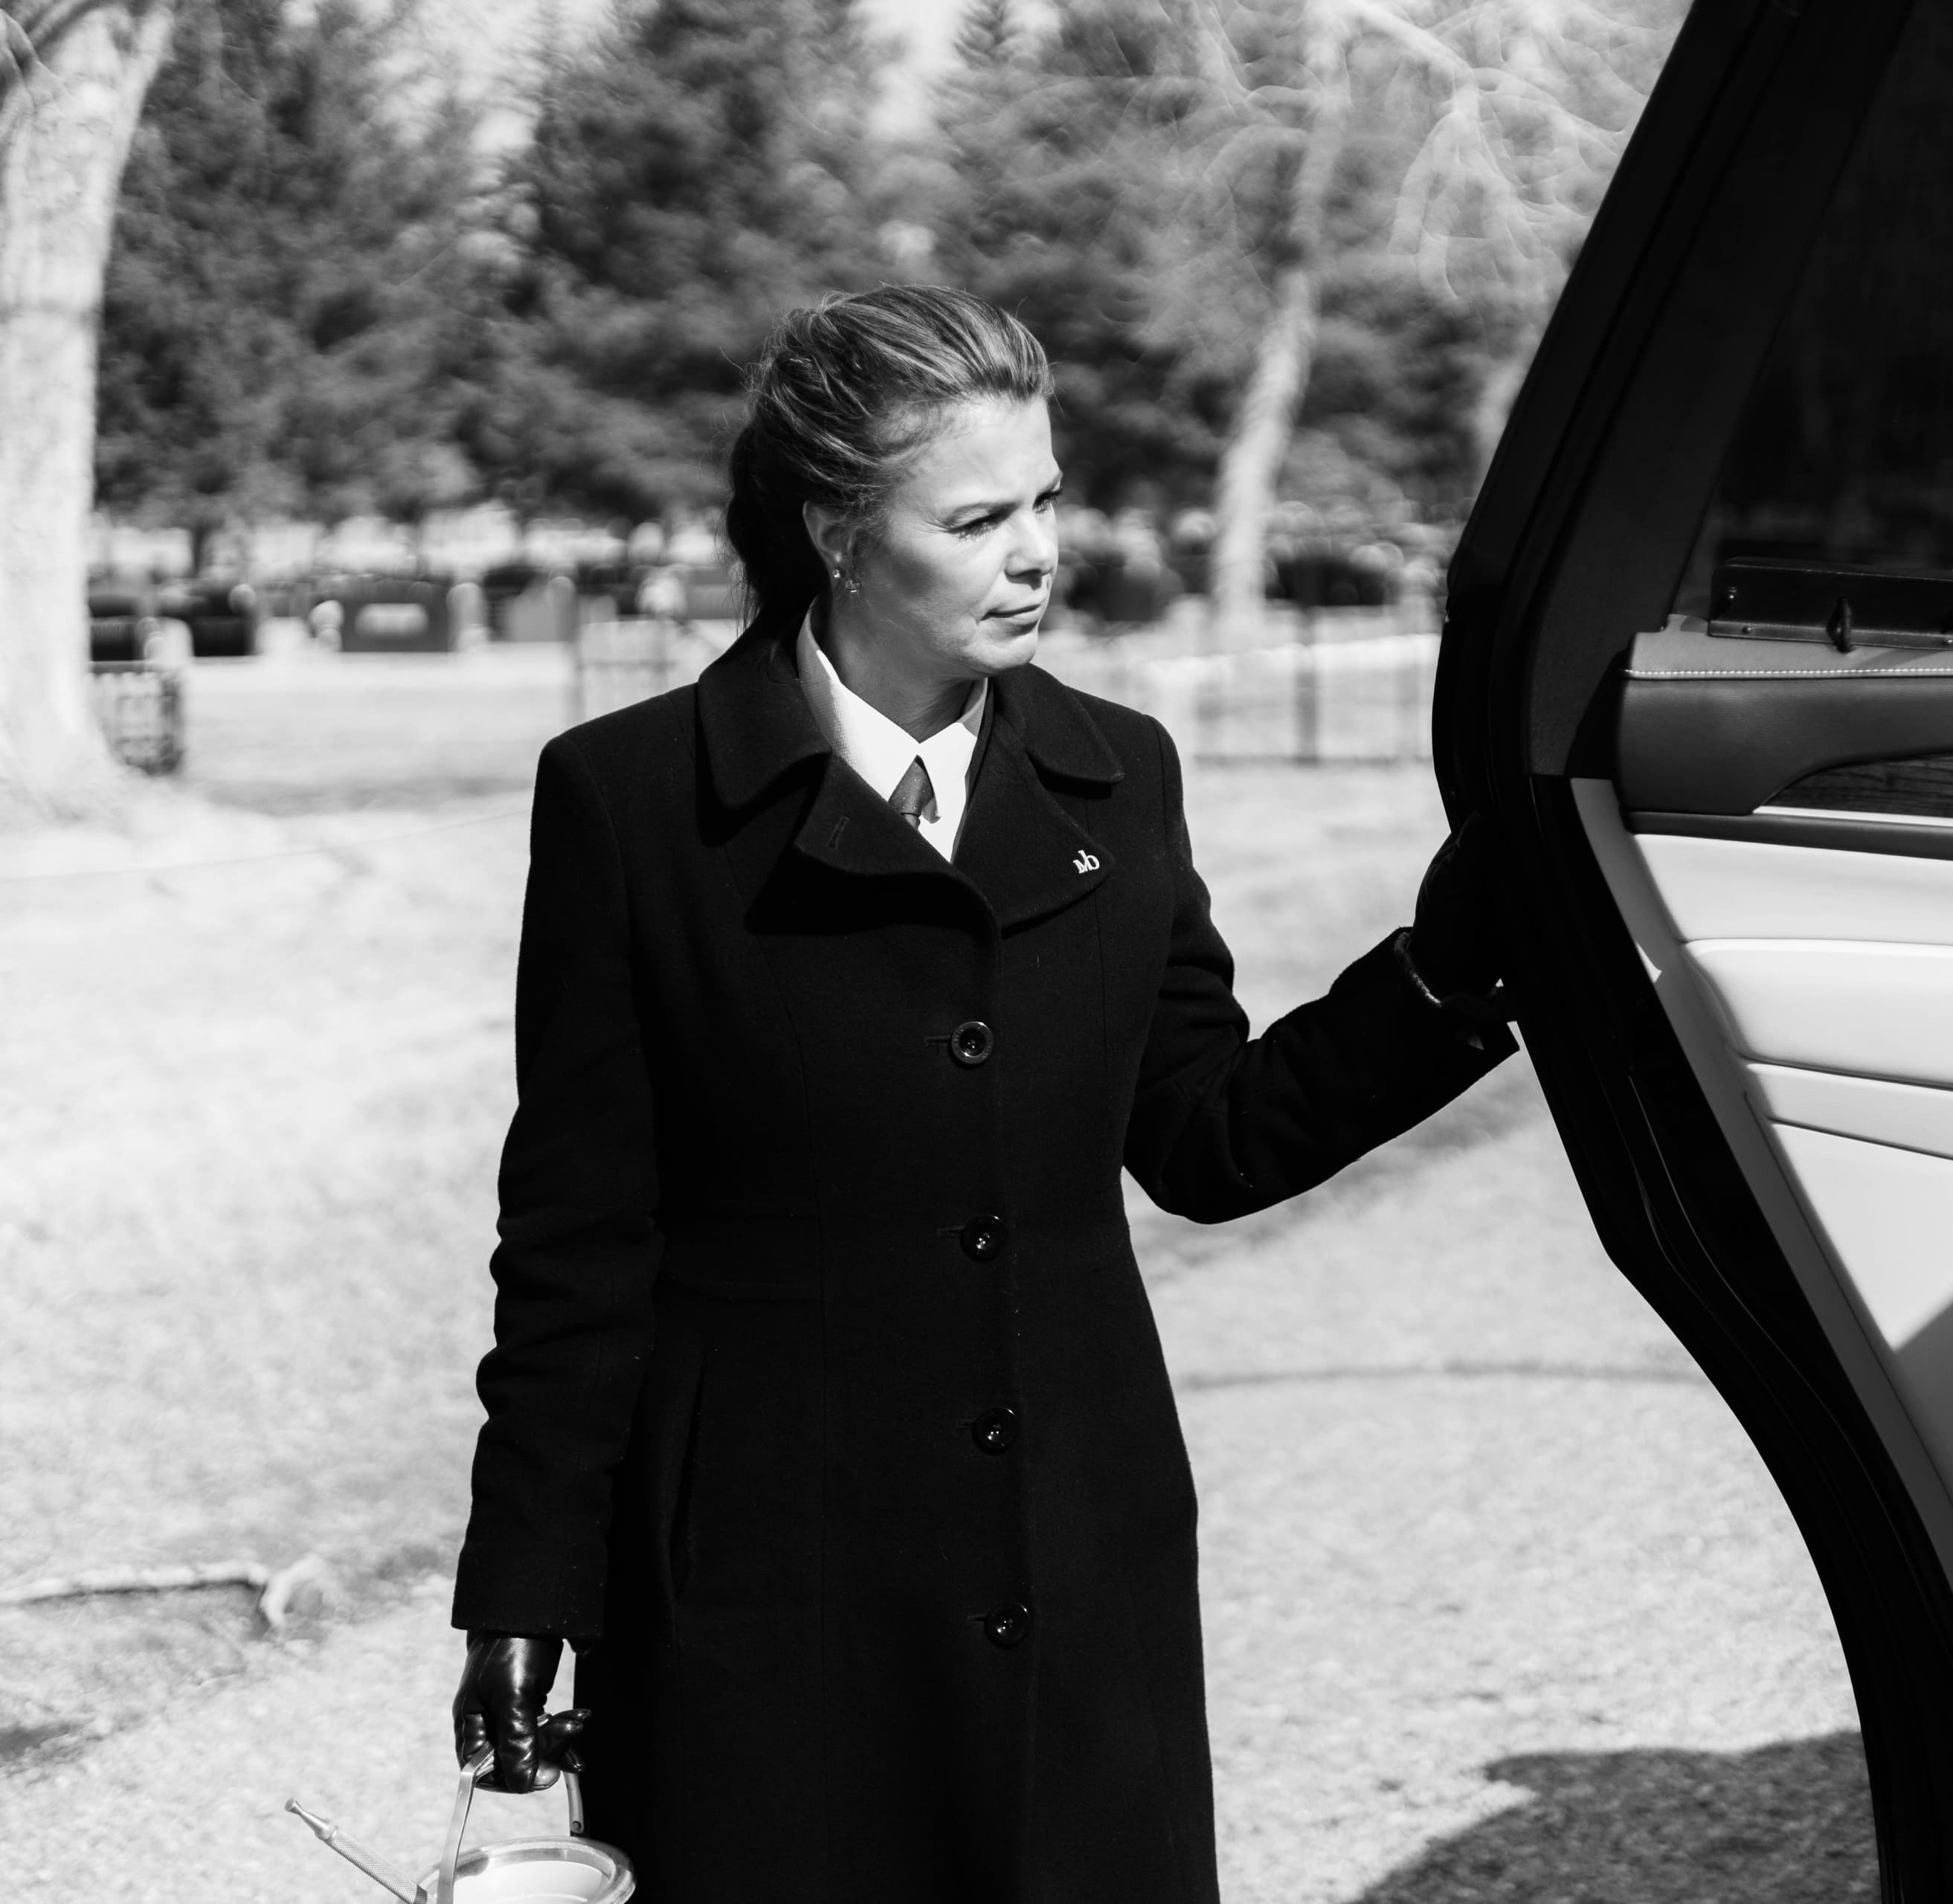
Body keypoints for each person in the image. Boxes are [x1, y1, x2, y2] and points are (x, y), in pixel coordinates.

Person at [448, 284, 1513, 1904]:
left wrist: (1444, 976)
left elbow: (1207, 1133)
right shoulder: (627, 801)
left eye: (1048, 500)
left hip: (1078, 1569)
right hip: (762, 1591)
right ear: (836, 529)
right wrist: (525, 1583)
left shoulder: (1119, 771)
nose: (1039, 551)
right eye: (979, 515)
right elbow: (579, 1238)